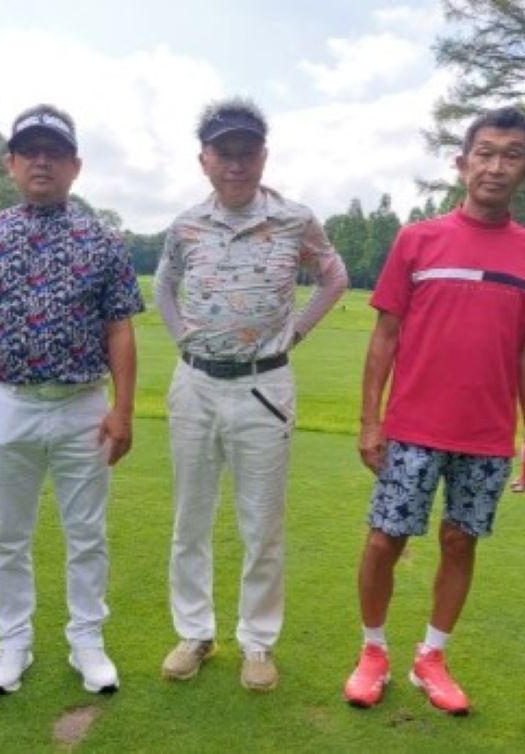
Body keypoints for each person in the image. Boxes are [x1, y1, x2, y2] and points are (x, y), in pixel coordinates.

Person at [342, 106, 525, 715]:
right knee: (385, 539)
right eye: (485, 153)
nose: (496, 166)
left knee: (461, 542)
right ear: (462, 163)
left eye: (511, 155)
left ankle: (431, 659)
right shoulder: (418, 239)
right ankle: (373, 652)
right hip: (412, 428)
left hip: (487, 434)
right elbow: (385, 335)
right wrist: (370, 420)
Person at [0, 104, 144, 695]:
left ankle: (87, 641)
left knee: (87, 534)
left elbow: (120, 329)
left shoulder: (103, 240)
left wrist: (123, 408)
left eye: (55, 152)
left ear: (76, 165)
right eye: (30, 151)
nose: (42, 162)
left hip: (83, 405)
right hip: (9, 403)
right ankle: (13, 643)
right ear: (11, 163)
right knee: (9, 534)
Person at [153, 98, 348, 692]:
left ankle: (257, 641)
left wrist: (297, 331)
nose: (236, 164)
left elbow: (334, 276)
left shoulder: (294, 220)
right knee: (190, 518)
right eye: (224, 153)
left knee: (261, 523)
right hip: (195, 384)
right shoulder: (186, 225)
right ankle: (195, 633)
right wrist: (182, 336)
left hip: (265, 385)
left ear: (263, 156)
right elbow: (164, 285)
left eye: (247, 152)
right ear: (204, 160)